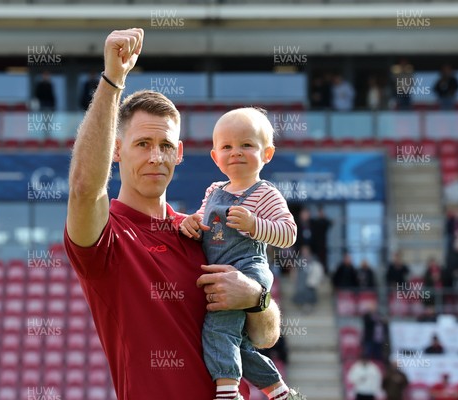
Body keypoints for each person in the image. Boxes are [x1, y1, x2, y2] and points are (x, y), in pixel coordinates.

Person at [63, 28, 284, 400]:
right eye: (142, 144)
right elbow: (85, 188)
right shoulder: (107, 237)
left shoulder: (203, 229)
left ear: (179, 152)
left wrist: (256, 297)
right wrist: (112, 81)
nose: (156, 157)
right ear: (116, 150)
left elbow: (266, 335)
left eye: (165, 145)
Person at [179, 107, 297, 400]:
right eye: (227, 146)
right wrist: (190, 223)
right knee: (236, 343)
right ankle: (280, 392)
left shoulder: (265, 193)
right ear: (215, 156)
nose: (236, 152)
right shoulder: (214, 190)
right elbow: (203, 221)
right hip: (221, 273)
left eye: (247, 145)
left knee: (217, 332)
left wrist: (255, 224)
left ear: (266, 154)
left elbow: (288, 233)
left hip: (247, 271)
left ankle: (228, 392)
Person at [292, 245, 323, 314]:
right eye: (303, 251)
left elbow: (318, 269)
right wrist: (295, 278)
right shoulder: (299, 259)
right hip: (301, 281)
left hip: (310, 281)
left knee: (310, 294)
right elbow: (295, 270)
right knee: (302, 294)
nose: (304, 252)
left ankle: (309, 307)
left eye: (306, 251)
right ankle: (304, 308)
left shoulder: (313, 259)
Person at [311, 205, 332, 273]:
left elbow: (330, 223)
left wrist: (324, 218)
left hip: (323, 245)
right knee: (315, 261)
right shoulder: (315, 222)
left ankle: (324, 272)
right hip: (315, 245)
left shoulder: (324, 222)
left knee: (323, 260)